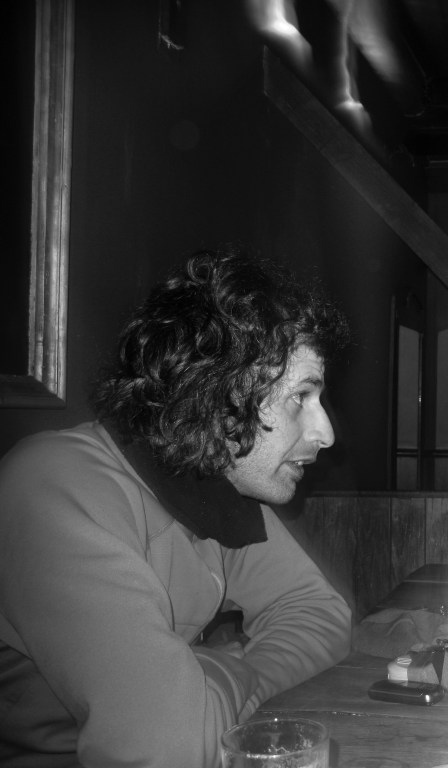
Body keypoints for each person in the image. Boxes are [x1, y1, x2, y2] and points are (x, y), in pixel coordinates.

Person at [0, 249, 353, 766]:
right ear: (214, 389)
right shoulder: (52, 485)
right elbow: (167, 748)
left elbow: (321, 616)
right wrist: (213, 679)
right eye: (301, 396)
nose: (326, 433)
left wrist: (220, 676)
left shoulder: (207, 483)